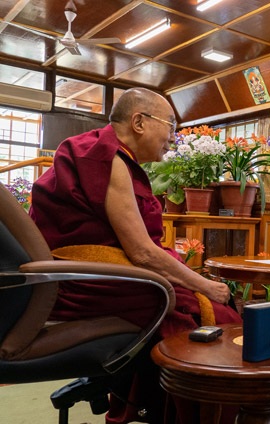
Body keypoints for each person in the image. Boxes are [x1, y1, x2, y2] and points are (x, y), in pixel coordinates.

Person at [29, 87, 240, 424]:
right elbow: (142, 253)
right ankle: (197, 414)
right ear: (139, 122)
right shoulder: (107, 158)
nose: (173, 137)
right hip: (88, 282)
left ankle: (146, 406)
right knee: (209, 309)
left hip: (84, 274)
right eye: (170, 125)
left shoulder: (108, 154)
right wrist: (204, 284)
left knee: (199, 297)